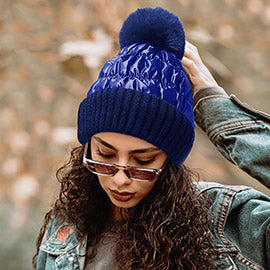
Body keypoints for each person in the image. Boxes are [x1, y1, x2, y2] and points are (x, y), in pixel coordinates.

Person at [33, 7, 270, 270]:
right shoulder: (66, 228)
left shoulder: (228, 222)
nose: (120, 179)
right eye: (105, 156)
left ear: (170, 160)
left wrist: (217, 111)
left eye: (143, 161)